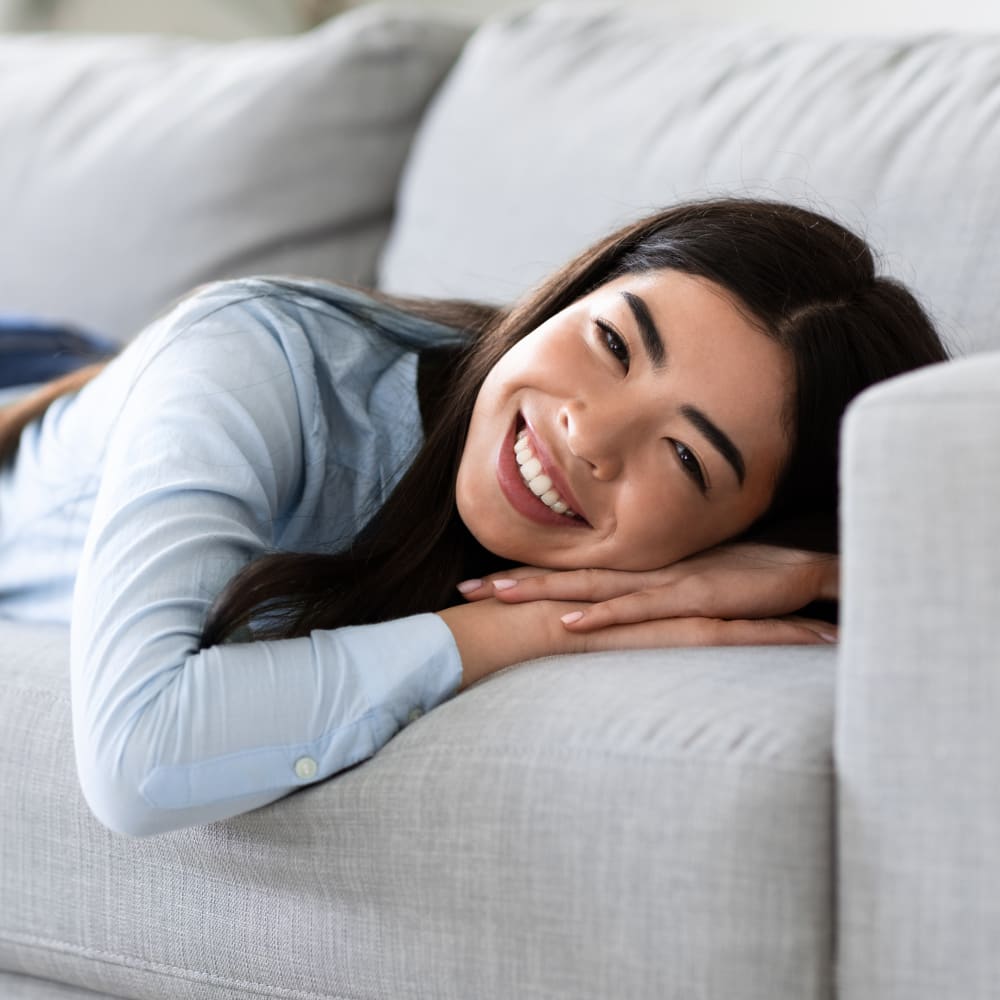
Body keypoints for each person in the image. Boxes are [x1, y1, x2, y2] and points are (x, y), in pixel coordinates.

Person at [0, 198, 948, 837]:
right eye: (613, 341)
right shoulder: (259, 362)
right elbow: (138, 760)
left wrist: (821, 572)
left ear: (740, 528)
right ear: (567, 297)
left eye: (689, 457)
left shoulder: (698, 540)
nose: (588, 434)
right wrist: (524, 628)